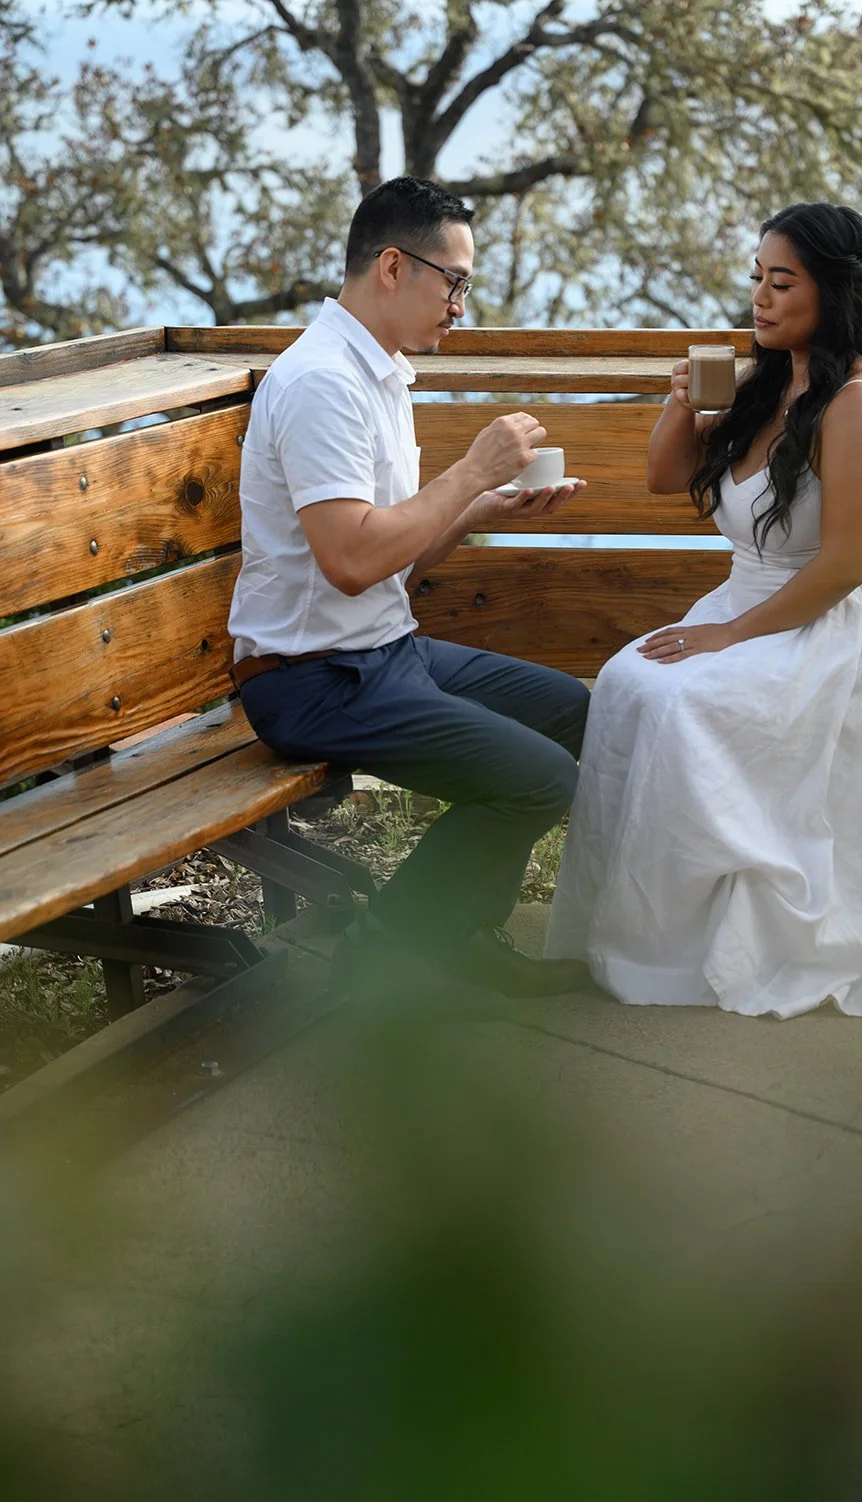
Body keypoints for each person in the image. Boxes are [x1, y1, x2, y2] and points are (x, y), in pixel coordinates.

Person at [545, 203, 862, 1017]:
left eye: (781, 282)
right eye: (756, 277)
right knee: (627, 683)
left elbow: (843, 566)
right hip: (752, 598)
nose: (759, 297)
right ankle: (651, 941)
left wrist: (726, 636)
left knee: (683, 703)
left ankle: (725, 941)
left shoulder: (860, 404)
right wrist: (681, 405)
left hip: (836, 618)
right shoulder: (770, 383)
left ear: (834, 290)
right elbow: (664, 478)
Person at [228, 175, 590, 998]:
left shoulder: (379, 373)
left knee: (570, 712)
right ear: (393, 267)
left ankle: (455, 933)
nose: (460, 307)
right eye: (453, 282)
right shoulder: (322, 383)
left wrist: (479, 507)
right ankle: (379, 956)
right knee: (539, 777)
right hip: (309, 678)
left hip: (379, 651)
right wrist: (468, 473)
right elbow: (350, 562)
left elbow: (391, 566)